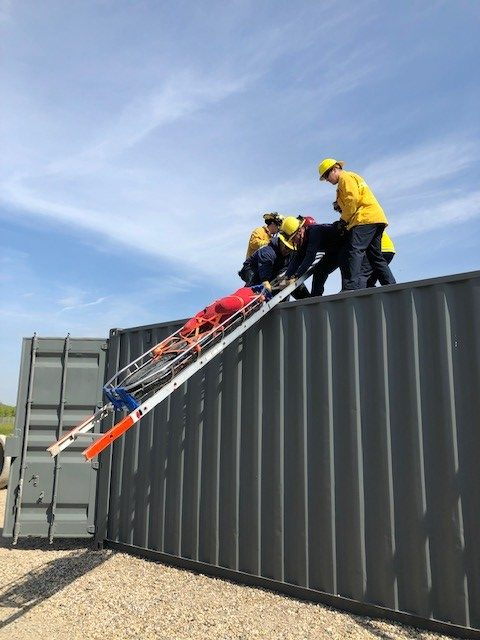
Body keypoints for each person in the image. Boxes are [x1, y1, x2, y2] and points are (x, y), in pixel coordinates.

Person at [318, 158, 396, 291]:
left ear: (335, 169)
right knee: (374, 256)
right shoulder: (350, 178)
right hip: (376, 218)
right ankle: (391, 286)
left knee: (353, 251)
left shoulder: (345, 178)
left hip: (364, 219)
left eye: (326, 175)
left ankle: (350, 288)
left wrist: (343, 221)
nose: (327, 180)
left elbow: (352, 200)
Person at [281, 216, 345, 297]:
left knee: (346, 269)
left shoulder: (314, 232)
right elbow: (297, 259)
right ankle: (315, 297)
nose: (294, 241)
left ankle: (348, 290)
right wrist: (287, 277)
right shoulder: (304, 239)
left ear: (300, 231)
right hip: (333, 251)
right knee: (319, 271)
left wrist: (296, 277)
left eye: (293, 238)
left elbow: (310, 257)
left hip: (344, 247)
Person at [238, 221, 297, 291]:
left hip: (270, 268)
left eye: (290, 249)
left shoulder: (289, 253)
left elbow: (287, 267)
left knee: (279, 287)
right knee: (255, 286)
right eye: (286, 248)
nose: (287, 251)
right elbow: (264, 261)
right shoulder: (267, 246)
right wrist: (265, 281)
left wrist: (288, 278)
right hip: (252, 268)